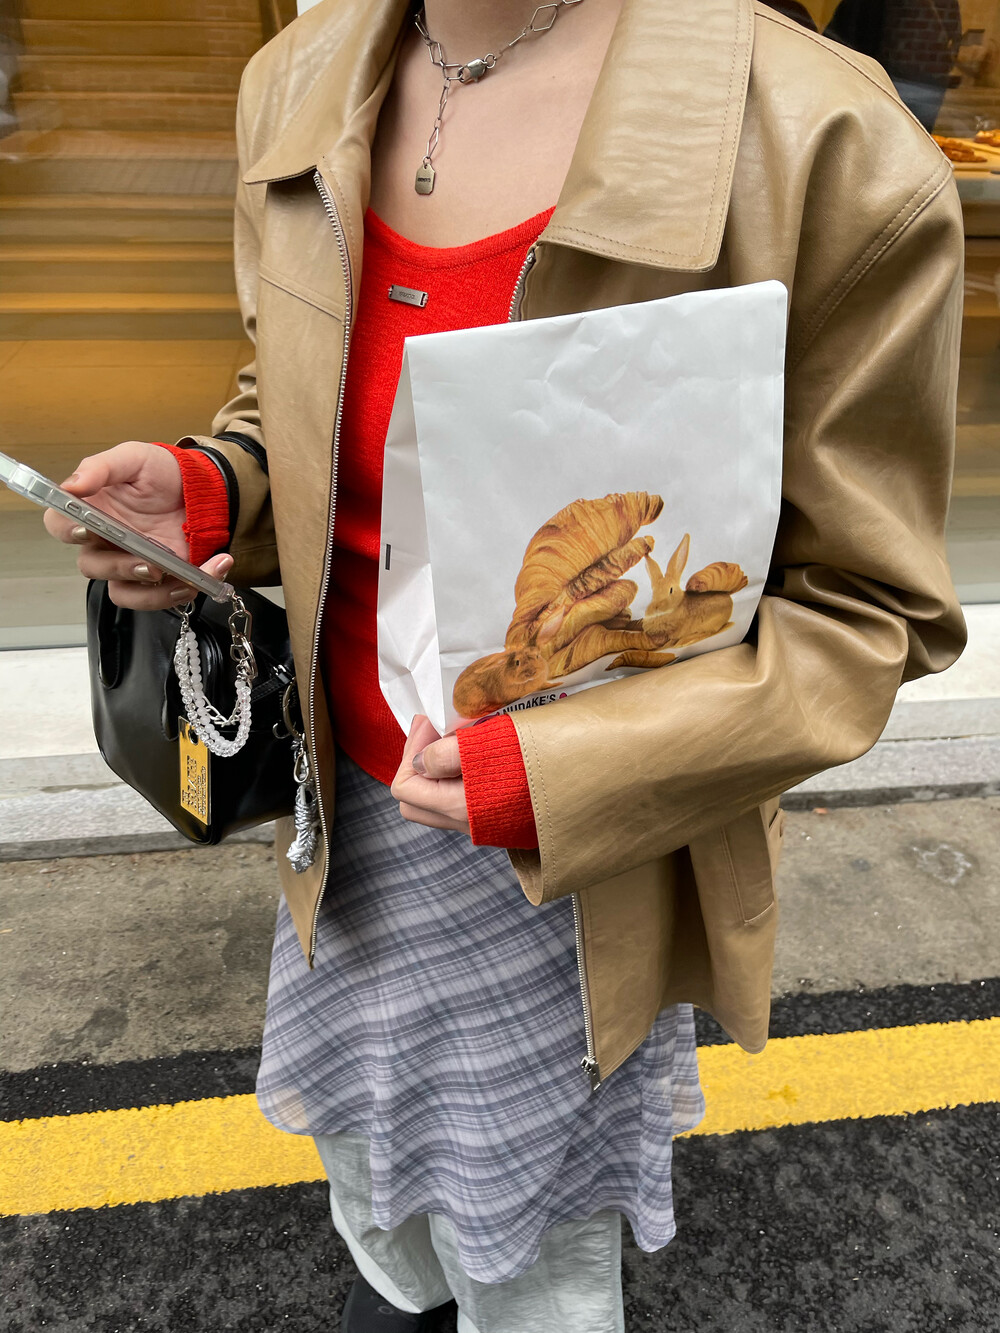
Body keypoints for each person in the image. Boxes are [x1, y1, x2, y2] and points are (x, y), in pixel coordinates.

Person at [44, 1, 966, 1329]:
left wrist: (557, 769)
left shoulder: (822, 140)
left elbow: (867, 609)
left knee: (531, 1273)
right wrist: (217, 488)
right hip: (342, 821)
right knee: (381, 1208)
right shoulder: (299, 80)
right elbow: (304, 395)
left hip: (576, 872)